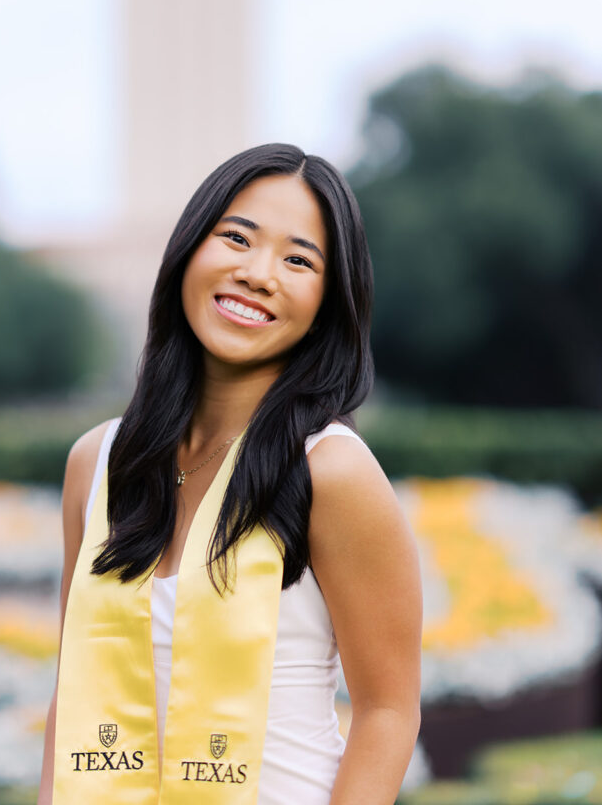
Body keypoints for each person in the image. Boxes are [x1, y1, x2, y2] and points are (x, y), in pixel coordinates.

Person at [38, 143, 422, 805]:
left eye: (297, 259)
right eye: (236, 239)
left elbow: (388, 711)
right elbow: (75, 686)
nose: (257, 273)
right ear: (189, 250)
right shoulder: (97, 465)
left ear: (329, 300)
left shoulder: (329, 472)